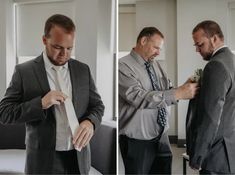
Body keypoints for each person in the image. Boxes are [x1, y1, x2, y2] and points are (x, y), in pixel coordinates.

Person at [0, 14, 104, 174]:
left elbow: (97, 106)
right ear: (44, 40)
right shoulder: (24, 72)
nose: (64, 54)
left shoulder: (83, 70)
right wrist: (41, 103)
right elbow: (5, 113)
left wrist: (90, 122)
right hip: (43, 161)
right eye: (57, 47)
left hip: (78, 158)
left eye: (69, 48)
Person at [119, 26, 198, 174]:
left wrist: (182, 88)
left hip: (161, 136)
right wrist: (177, 94)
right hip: (137, 141)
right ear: (143, 41)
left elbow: (165, 92)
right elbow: (139, 98)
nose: (158, 52)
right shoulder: (122, 66)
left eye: (160, 49)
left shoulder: (155, 64)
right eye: (156, 47)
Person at [188, 20, 235, 174]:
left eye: (199, 44)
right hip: (230, 147)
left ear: (214, 39)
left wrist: (198, 155)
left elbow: (211, 116)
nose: (197, 50)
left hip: (216, 154)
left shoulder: (216, 66)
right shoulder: (232, 60)